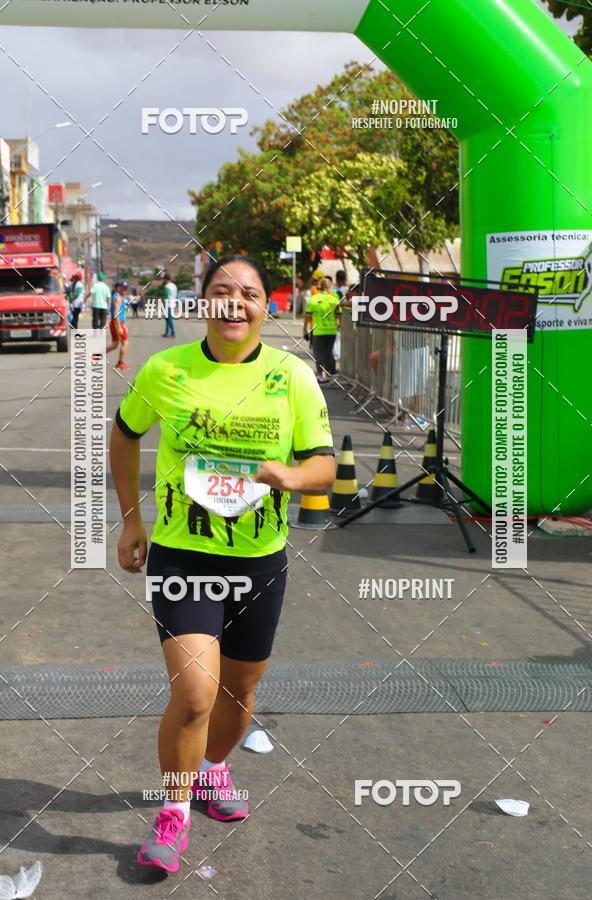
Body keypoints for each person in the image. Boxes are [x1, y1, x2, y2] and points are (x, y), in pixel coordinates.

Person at [110, 254, 336, 874]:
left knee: (238, 689)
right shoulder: (165, 370)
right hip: (185, 555)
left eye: (249, 293)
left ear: (267, 306)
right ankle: (174, 810)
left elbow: (324, 463)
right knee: (193, 694)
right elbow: (126, 433)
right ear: (202, 302)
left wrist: (290, 474)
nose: (234, 302)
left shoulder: (292, 376)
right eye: (220, 291)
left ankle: (211, 770)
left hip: (260, 563)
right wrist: (133, 519)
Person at [303, 277, 341, 383]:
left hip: (318, 330)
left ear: (319, 286)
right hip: (331, 330)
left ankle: (320, 375)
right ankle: (328, 375)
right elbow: (338, 314)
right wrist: (339, 324)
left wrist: (304, 329)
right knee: (328, 352)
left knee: (318, 353)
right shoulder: (334, 299)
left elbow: (307, 315)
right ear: (330, 286)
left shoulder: (314, 299)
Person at [107, 282, 129, 371]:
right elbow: (116, 313)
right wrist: (119, 326)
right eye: (123, 289)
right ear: (118, 289)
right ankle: (120, 363)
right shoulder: (118, 298)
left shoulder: (116, 296)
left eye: (126, 289)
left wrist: (122, 325)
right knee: (125, 343)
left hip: (116, 322)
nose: (125, 291)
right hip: (116, 323)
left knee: (114, 345)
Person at [162, 273, 178, 338]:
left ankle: (173, 332)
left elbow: (166, 296)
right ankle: (166, 332)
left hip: (168, 304)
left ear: (165, 279)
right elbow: (176, 296)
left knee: (169, 319)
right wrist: (176, 305)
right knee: (167, 319)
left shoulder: (166, 286)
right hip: (173, 304)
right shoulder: (174, 286)